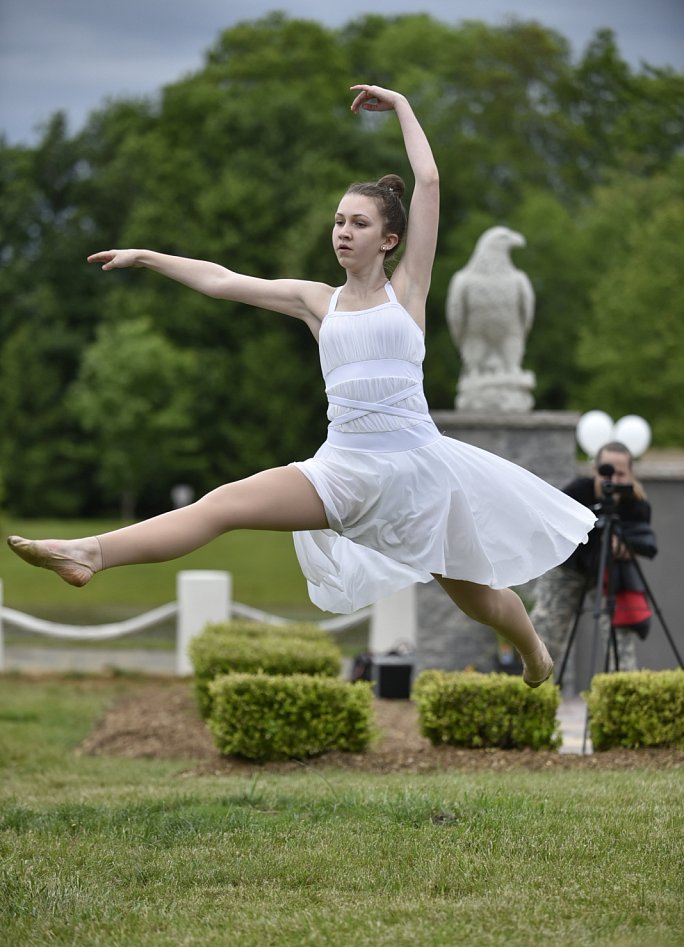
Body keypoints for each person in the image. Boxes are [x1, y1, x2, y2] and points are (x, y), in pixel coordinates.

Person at [6, 84, 596, 688]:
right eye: (339, 221)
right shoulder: (318, 302)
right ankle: (90, 554)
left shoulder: (409, 289)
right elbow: (222, 280)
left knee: (480, 600)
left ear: (389, 239)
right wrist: (148, 256)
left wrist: (402, 107)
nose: (343, 231)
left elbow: (431, 181)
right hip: (341, 469)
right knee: (224, 504)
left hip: (416, 475)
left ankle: (532, 653)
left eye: (359, 223)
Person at [530, 440, 657, 676]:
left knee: (620, 640)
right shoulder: (577, 492)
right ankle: (536, 693)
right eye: (606, 472)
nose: (613, 480)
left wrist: (626, 546)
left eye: (621, 474)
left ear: (631, 475)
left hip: (611, 573)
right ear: (594, 471)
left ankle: (620, 695)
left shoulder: (636, 504)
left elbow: (645, 540)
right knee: (545, 633)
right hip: (568, 569)